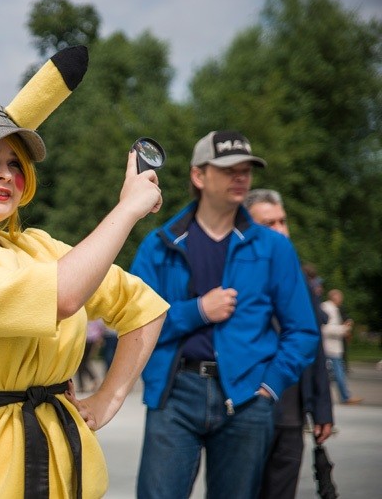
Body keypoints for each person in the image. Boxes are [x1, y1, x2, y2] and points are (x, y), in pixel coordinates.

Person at [0, 21, 169, 499]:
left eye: (15, 165)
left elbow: (144, 308)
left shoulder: (40, 246)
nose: (4, 175)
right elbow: (64, 296)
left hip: (71, 468)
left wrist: (109, 398)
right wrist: (127, 209)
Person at [129, 131, 320, 499]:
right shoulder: (160, 244)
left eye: (246, 169)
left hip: (248, 397)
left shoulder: (274, 247)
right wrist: (197, 311)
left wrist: (270, 385)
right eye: (229, 168)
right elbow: (133, 322)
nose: (241, 177)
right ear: (199, 176)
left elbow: (302, 330)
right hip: (175, 395)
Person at [244, 188, 334, 499]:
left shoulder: (299, 280)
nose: (280, 230)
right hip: (246, 410)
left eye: (283, 221)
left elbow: (315, 346)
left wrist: (322, 408)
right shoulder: (229, 274)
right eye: (269, 224)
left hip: (291, 415)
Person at [321, 289, 363, 405]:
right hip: (330, 347)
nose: (341, 299)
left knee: (335, 373)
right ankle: (344, 396)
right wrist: (344, 329)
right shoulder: (327, 308)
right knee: (337, 373)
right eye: (340, 297)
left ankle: (344, 396)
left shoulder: (333, 308)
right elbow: (326, 329)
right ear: (334, 297)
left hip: (333, 347)